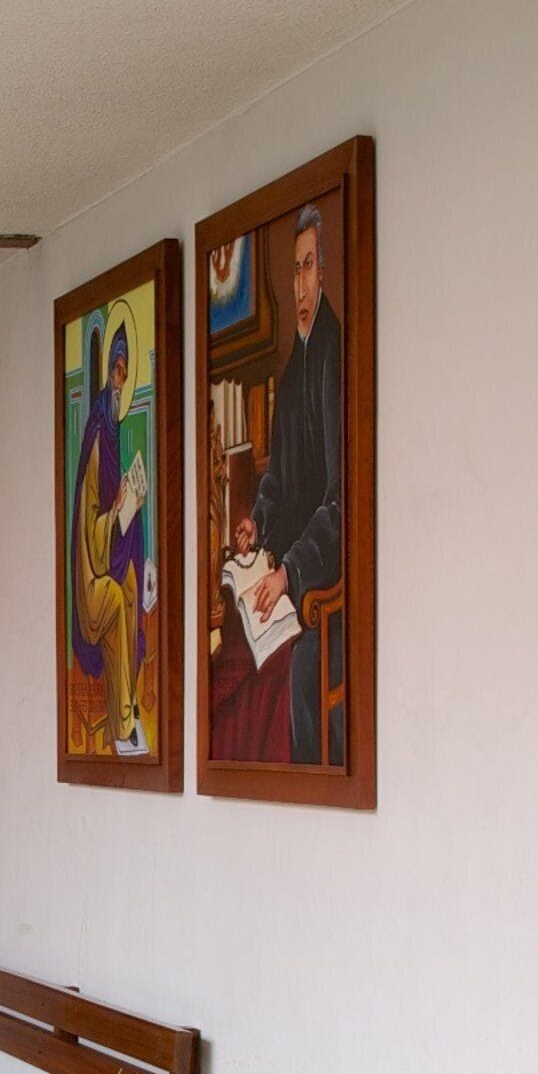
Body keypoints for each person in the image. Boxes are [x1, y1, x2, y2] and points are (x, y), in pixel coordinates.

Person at [231, 204, 345, 764]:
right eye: (294, 269)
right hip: (286, 577)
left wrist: (289, 572)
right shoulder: (292, 371)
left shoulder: (333, 356)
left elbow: (341, 499)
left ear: (324, 271)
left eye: (309, 266)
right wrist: (257, 521)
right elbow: (277, 479)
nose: (301, 282)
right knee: (233, 657)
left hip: (325, 581)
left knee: (295, 667)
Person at [69, 315, 153, 756]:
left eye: (124, 372)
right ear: (107, 374)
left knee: (133, 586)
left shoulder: (116, 430)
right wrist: (115, 510)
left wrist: (128, 503)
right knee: (118, 600)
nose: (120, 381)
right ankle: (122, 728)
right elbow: (90, 528)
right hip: (90, 579)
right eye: (116, 372)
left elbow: (117, 516)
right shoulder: (98, 435)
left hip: (108, 562)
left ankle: (131, 703)